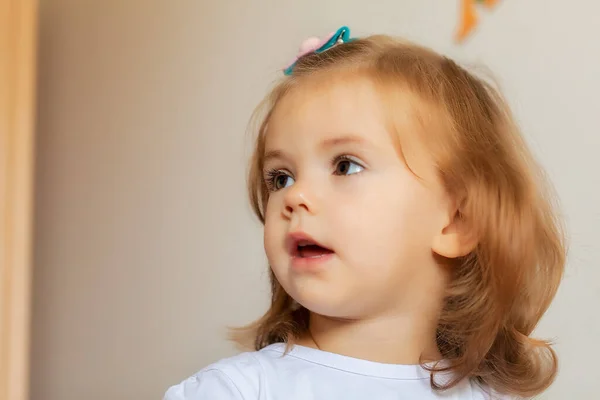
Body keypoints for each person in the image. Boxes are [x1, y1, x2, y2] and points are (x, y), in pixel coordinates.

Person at [164, 26, 566, 399]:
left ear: (457, 221)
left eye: (345, 166)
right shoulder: (235, 392)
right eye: (281, 177)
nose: (295, 196)